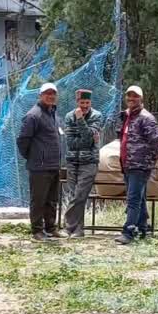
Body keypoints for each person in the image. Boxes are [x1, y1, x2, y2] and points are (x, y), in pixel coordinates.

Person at [114, 85, 158, 245]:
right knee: (139, 198)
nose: (131, 99)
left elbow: (155, 143)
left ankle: (128, 232)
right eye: (129, 96)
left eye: (135, 96)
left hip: (140, 165)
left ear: (141, 99)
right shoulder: (127, 117)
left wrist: (150, 162)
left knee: (133, 199)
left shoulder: (146, 118)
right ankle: (143, 228)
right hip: (127, 163)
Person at [17, 82, 62, 241]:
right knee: (38, 199)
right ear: (40, 95)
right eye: (47, 93)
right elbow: (23, 140)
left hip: (53, 164)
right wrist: (33, 157)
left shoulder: (54, 114)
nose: (50, 96)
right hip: (39, 166)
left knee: (52, 199)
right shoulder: (33, 115)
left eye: (53, 93)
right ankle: (37, 230)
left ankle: (51, 228)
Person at [63, 88, 102, 238]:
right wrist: (89, 139)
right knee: (74, 195)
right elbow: (71, 142)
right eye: (82, 102)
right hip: (72, 161)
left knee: (80, 195)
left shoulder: (97, 115)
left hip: (89, 162)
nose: (85, 105)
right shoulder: (68, 116)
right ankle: (78, 230)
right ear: (77, 102)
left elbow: (87, 138)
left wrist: (80, 120)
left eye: (87, 102)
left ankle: (68, 226)